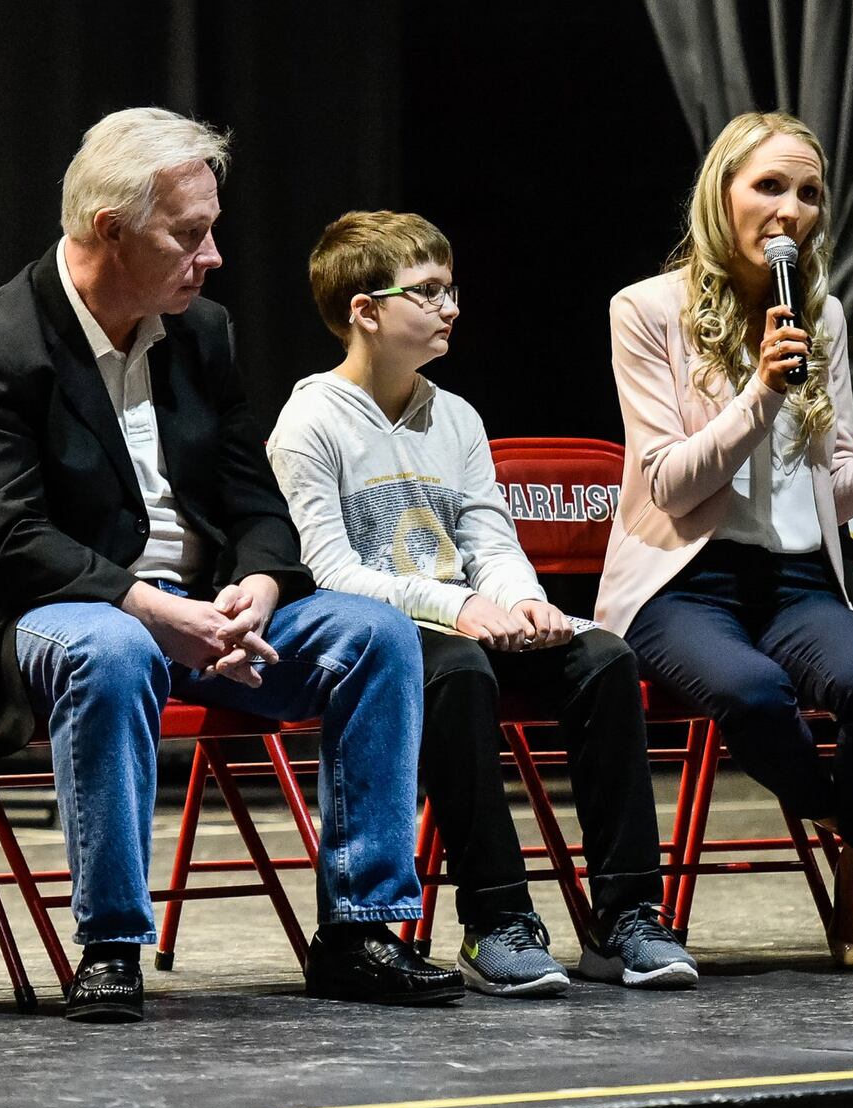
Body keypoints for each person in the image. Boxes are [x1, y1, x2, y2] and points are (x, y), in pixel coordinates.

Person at [0, 109, 463, 1022]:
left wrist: (260, 583)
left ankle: (361, 930)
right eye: (190, 234)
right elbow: (2, 537)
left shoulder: (201, 333)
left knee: (375, 634)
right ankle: (112, 946)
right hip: (47, 611)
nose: (212, 256)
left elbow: (256, 498)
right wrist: (153, 610)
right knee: (113, 650)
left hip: (206, 609)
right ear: (111, 232)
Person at [595, 111, 853, 968]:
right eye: (770, 186)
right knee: (750, 694)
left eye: (809, 193)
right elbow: (670, 483)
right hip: (683, 582)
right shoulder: (646, 310)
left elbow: (836, 490)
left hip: (793, 580)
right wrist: (757, 396)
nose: (790, 210)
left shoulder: (817, 317)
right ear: (724, 195)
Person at [267, 210, 698, 996]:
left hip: (472, 618)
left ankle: (627, 916)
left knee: (602, 656)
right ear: (365, 311)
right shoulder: (309, 422)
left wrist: (526, 602)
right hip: (393, 641)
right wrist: (458, 608)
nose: (451, 306)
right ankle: (496, 919)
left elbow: (488, 538)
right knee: (457, 667)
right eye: (427, 291)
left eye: (451, 287)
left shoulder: (455, 415)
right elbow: (328, 574)